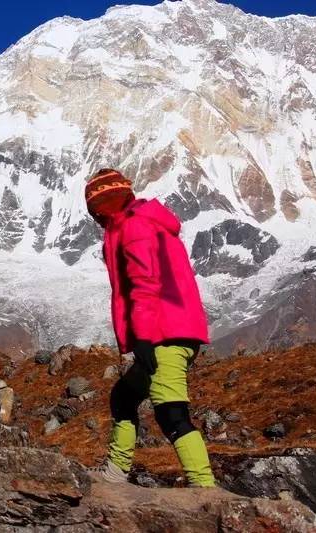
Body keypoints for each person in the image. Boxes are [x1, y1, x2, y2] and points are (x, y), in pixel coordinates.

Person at [85, 168, 215, 488]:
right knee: (124, 397)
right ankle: (116, 473)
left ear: (104, 206)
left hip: (163, 334)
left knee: (172, 414)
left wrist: (142, 337)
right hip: (172, 328)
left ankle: (206, 490)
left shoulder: (134, 228)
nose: (95, 220)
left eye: (95, 212)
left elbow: (144, 285)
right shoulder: (145, 221)